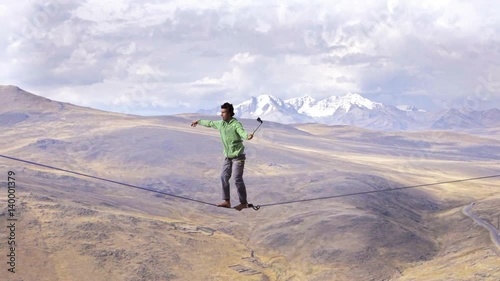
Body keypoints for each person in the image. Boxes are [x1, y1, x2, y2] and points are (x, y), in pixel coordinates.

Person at [191, 102, 253, 211]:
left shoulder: (235, 124)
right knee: (224, 177)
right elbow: (210, 123)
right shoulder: (221, 124)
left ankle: (243, 203)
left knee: (237, 178)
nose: (221, 114)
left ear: (229, 113)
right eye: (221, 112)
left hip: (238, 157)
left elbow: (242, 132)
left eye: (223, 112)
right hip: (228, 157)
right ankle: (227, 201)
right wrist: (199, 121)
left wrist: (247, 136)